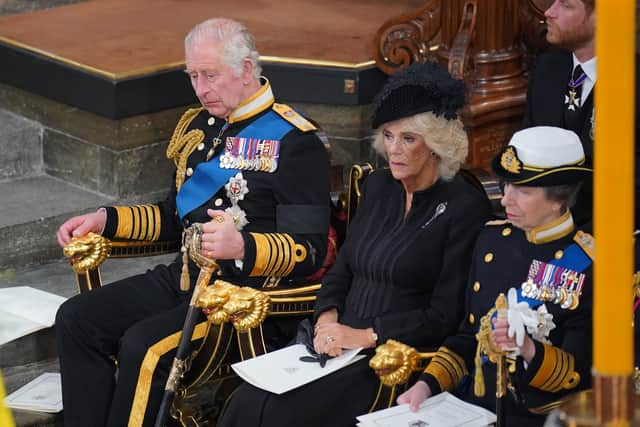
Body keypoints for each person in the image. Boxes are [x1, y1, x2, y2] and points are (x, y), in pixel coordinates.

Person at [54, 18, 330, 427]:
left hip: (241, 303)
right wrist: (105, 221)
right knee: (76, 319)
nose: (201, 89)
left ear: (247, 70)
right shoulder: (199, 127)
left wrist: (243, 247)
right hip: (186, 279)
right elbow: (172, 218)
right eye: (194, 76)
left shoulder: (295, 140)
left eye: (211, 75)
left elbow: (311, 249)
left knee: (142, 348)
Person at [217, 61, 493, 427]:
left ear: (437, 146)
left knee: (284, 414)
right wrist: (327, 319)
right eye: (389, 136)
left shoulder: (463, 207)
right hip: (335, 343)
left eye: (408, 139)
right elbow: (343, 267)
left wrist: (366, 335)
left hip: (393, 357)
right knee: (247, 402)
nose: (394, 149)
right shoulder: (379, 188)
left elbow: (444, 316)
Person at [398, 126, 594, 427]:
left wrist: (529, 349)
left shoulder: (591, 264)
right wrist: (427, 385)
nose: (505, 200)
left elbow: (578, 373)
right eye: (506, 185)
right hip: (474, 411)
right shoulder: (490, 240)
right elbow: (468, 334)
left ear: (558, 200)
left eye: (523, 191)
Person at [523, 0, 640, 226]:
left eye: (566, 5)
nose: (549, 12)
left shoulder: (633, 81)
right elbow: (526, 146)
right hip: (541, 225)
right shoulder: (549, 66)